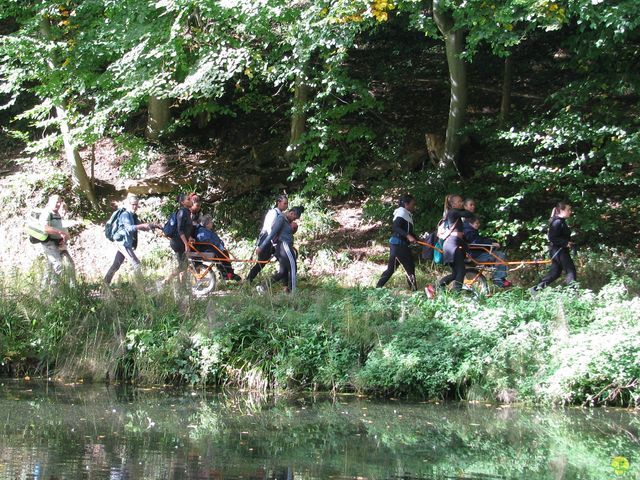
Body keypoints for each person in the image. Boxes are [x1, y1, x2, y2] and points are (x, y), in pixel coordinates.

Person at [104, 195, 159, 285]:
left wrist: (152, 225)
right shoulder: (125, 214)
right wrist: (143, 226)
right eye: (133, 204)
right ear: (129, 204)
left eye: (136, 204)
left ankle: (105, 283)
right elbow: (129, 228)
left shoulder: (133, 216)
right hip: (123, 243)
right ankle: (141, 289)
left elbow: (141, 226)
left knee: (116, 264)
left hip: (125, 243)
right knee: (136, 264)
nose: (135, 206)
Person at [428, 194, 474, 295]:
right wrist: (467, 207)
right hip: (451, 246)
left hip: (452, 245)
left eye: (462, 201)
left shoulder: (455, 213)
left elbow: (460, 237)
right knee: (461, 271)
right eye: (459, 201)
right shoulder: (453, 212)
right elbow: (469, 214)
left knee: (455, 274)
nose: (461, 203)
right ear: (453, 204)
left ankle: (434, 288)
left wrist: (467, 249)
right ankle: (457, 294)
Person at [376, 194, 418, 291]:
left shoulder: (406, 214)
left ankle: (378, 288)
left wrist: (415, 238)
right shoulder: (401, 212)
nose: (413, 206)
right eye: (412, 204)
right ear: (406, 204)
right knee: (409, 267)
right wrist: (408, 236)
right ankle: (414, 291)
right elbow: (395, 227)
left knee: (392, 269)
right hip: (399, 244)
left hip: (399, 244)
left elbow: (408, 231)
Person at [258, 206, 304, 293]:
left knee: (283, 272)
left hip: (283, 247)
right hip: (283, 246)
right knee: (293, 267)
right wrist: (262, 246)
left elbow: (287, 233)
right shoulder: (281, 219)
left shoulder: (288, 221)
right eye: (295, 217)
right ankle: (293, 293)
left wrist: (293, 230)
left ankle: (262, 287)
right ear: (291, 213)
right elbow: (272, 233)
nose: (295, 220)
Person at [533, 202, 577, 291]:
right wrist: (565, 243)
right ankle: (573, 293)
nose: (570, 212)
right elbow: (552, 237)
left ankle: (535, 289)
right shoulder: (557, 222)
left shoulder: (561, 222)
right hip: (559, 251)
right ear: (561, 210)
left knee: (555, 273)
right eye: (568, 210)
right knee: (571, 271)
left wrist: (568, 242)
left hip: (559, 250)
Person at [246, 194, 289, 284]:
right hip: (267, 239)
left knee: (283, 260)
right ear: (278, 203)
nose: (286, 205)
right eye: (284, 203)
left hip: (274, 240)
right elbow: (269, 229)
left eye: (287, 203)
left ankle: (285, 284)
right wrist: (272, 241)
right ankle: (248, 280)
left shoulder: (281, 214)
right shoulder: (273, 213)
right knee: (261, 262)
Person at [39, 194, 76, 288]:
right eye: (56, 202)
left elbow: (59, 227)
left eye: (60, 202)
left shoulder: (57, 214)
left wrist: (63, 237)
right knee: (58, 265)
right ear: (50, 202)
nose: (58, 204)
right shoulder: (47, 213)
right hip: (49, 243)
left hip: (59, 243)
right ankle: (56, 292)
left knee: (68, 265)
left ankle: (43, 290)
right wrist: (61, 233)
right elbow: (45, 228)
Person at [463, 215, 511, 288]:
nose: (478, 225)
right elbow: (477, 242)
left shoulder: (470, 230)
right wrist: (491, 243)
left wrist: (491, 242)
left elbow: (479, 240)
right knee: (501, 256)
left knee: (498, 254)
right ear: (471, 223)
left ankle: (498, 275)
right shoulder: (469, 232)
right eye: (477, 223)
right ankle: (498, 278)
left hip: (476, 253)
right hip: (476, 255)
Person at [192, 215, 241, 281]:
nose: (212, 223)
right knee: (221, 255)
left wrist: (220, 244)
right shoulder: (202, 231)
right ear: (207, 224)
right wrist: (217, 244)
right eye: (211, 222)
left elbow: (215, 239)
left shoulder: (208, 230)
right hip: (207, 249)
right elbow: (203, 239)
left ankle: (228, 273)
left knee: (224, 254)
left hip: (212, 248)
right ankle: (227, 274)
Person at [164, 193, 194, 283]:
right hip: (177, 242)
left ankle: (182, 286)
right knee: (183, 266)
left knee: (184, 265)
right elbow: (180, 230)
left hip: (181, 241)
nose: (191, 200)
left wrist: (190, 238)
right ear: (182, 202)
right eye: (188, 199)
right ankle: (166, 281)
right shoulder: (182, 212)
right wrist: (186, 244)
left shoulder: (187, 212)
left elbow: (186, 229)